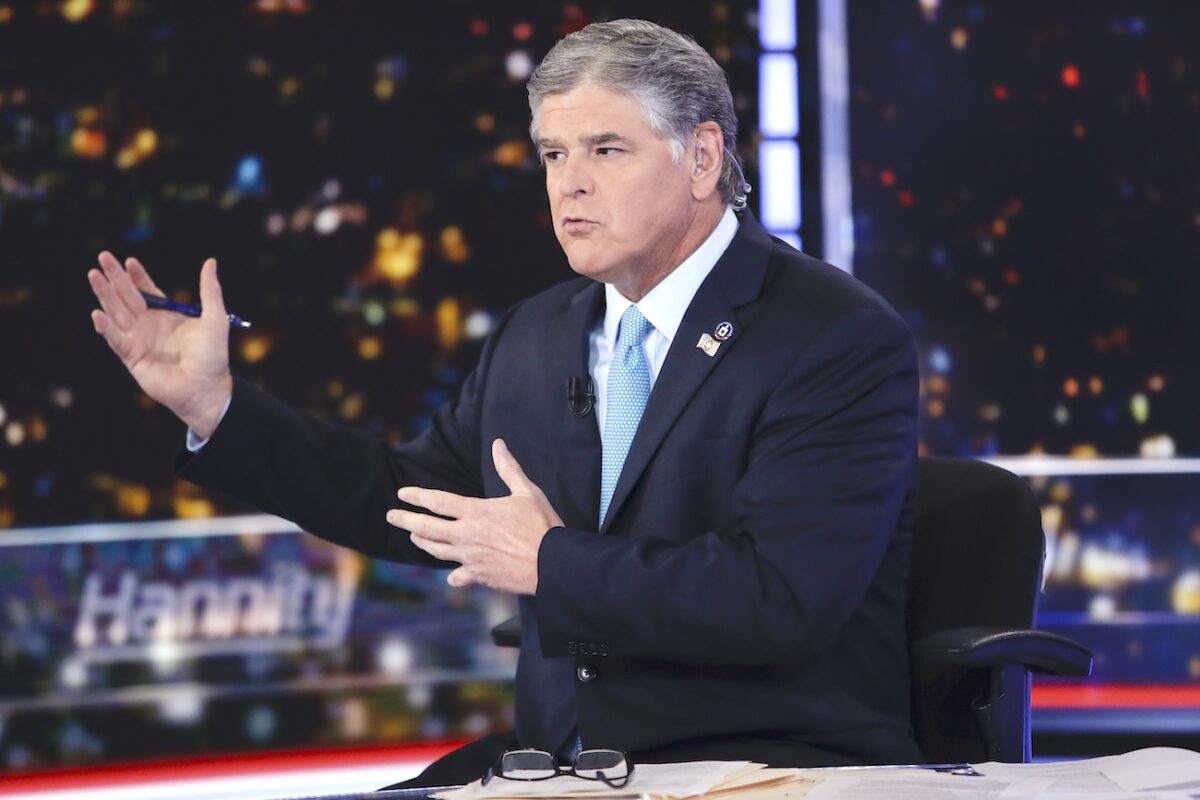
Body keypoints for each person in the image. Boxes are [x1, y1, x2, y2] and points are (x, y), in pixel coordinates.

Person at [87, 18, 923, 784]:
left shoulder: (833, 336)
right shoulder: (540, 333)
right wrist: (217, 409)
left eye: (606, 150)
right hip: (566, 765)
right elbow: (408, 499)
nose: (570, 186)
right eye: (554, 155)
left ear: (702, 158)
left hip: (767, 762)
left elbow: (780, 600)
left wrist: (550, 562)